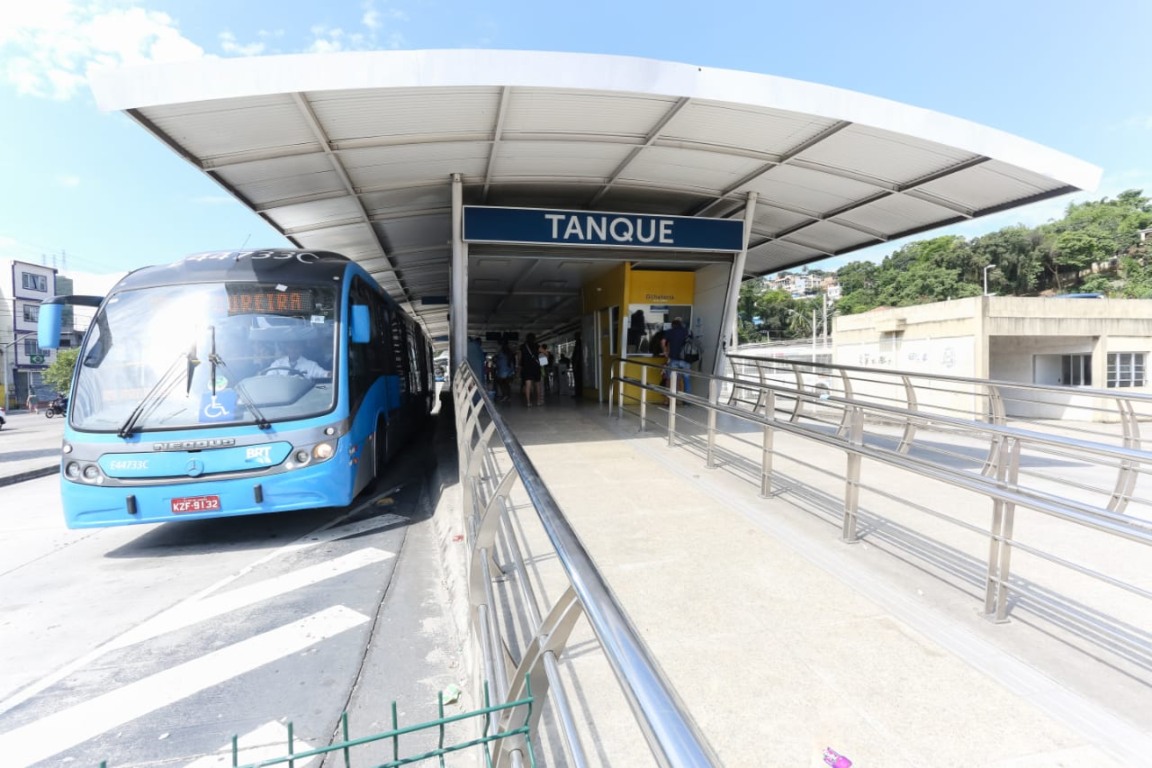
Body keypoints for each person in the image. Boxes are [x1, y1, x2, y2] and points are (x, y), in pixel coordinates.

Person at [661, 317, 692, 395]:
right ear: (681, 324)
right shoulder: (687, 332)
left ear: (673, 325)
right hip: (686, 359)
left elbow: (663, 341)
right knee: (686, 379)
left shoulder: (670, 332)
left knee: (672, 379)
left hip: (674, 359)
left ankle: (672, 399)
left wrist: (665, 351)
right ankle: (687, 401)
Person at [518, 333, 542, 407]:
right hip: (536, 367)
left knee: (528, 385)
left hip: (527, 368)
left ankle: (528, 402)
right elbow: (546, 353)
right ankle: (538, 401)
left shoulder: (522, 347)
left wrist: (520, 366)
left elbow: (519, 359)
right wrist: (542, 361)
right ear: (534, 338)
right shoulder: (537, 346)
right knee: (537, 385)